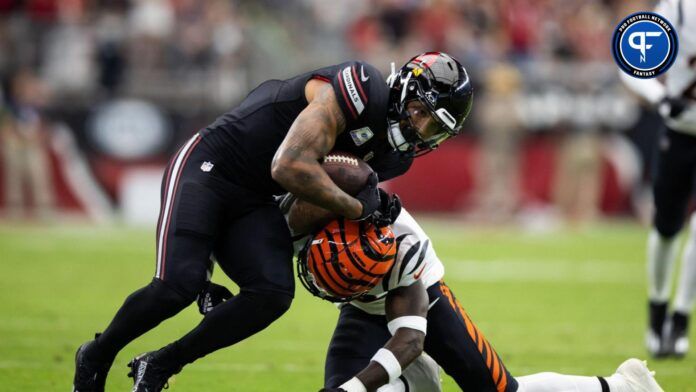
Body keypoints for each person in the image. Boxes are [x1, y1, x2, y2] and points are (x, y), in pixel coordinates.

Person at [72, 51, 474, 392]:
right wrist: (358, 207)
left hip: (256, 199)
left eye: (435, 128)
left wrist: (350, 232)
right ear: (405, 89)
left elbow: (306, 201)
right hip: (211, 165)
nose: (422, 131)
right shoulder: (363, 86)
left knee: (272, 293)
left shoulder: (394, 156)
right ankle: (96, 354)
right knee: (176, 285)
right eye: (422, 114)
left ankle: (161, 364)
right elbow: (289, 165)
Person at [202, 201, 666, 392]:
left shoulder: (407, 262)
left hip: (421, 306)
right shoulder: (306, 209)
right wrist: (209, 282)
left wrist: (355, 386)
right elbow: (225, 223)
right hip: (364, 306)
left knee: (501, 390)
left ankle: (623, 385)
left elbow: (409, 338)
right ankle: (411, 382)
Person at [619, 0, 696, 358]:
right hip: (678, 134)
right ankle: (658, 313)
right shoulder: (676, 10)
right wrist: (662, 98)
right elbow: (630, 63)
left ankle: (680, 319)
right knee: (667, 228)